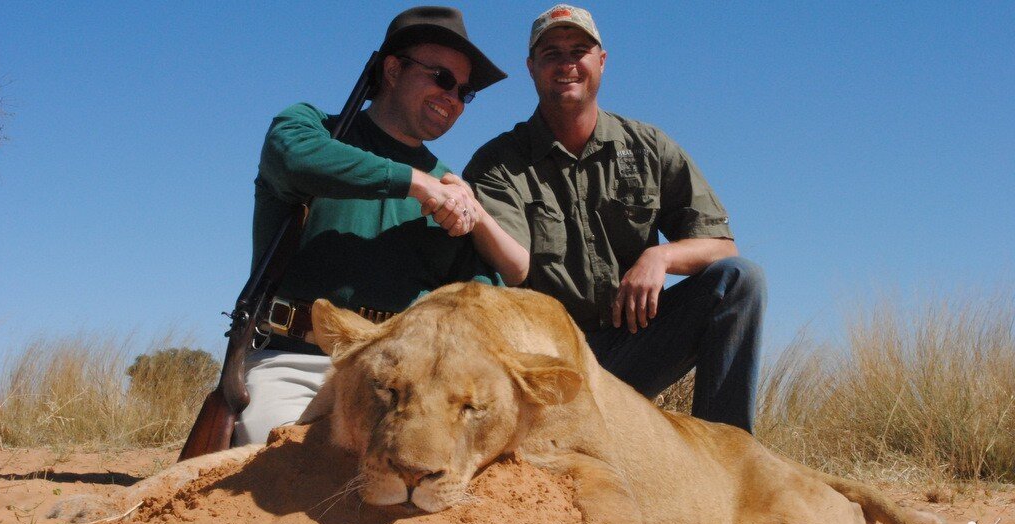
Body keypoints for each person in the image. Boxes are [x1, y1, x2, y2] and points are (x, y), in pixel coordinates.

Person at [463, 4, 766, 433]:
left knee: (740, 279)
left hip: (633, 349)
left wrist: (659, 258)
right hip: (548, 361)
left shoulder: (649, 146)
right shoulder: (497, 164)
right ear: (532, 68)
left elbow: (722, 246)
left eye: (579, 50)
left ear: (601, 61)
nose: (567, 64)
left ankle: (729, 453)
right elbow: (512, 268)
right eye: (551, 53)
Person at [234, 6, 508, 445]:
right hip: (294, 359)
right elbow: (292, 158)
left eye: (465, 91)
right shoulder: (311, 129)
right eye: (441, 77)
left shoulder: (452, 190)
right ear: (394, 69)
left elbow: (478, 289)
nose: (453, 97)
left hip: (398, 375)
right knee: (274, 457)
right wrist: (416, 184)